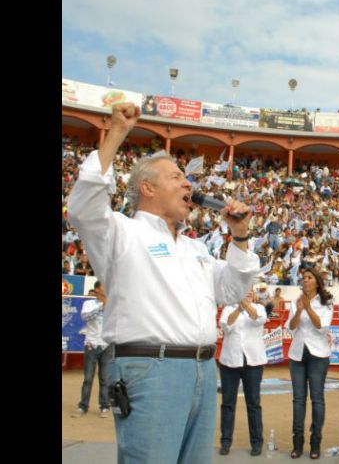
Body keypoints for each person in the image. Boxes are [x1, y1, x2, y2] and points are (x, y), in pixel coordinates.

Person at [67, 103, 259, 464]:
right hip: (151, 370)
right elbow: (83, 207)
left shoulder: (196, 247)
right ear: (147, 189)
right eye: (176, 177)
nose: (188, 182)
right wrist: (118, 132)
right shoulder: (121, 232)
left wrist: (240, 235)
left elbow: (232, 291)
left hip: (203, 369)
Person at [286, 268, 334, 459]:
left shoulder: (326, 302)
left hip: (318, 355)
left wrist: (308, 308)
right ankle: (297, 443)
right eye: (303, 278)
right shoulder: (295, 302)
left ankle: (316, 443)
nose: (305, 281)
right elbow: (290, 327)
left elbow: (321, 327)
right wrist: (298, 310)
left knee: (317, 399)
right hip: (297, 354)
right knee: (298, 400)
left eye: (309, 278)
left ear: (316, 282)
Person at [217, 287, 268, 456]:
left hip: (253, 361)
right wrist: (239, 308)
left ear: (254, 295)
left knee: (253, 402)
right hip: (230, 361)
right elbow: (226, 326)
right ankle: (225, 441)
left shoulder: (259, 308)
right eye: (243, 291)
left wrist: (246, 306)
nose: (247, 294)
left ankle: (256, 442)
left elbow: (257, 319)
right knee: (228, 403)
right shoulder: (228, 309)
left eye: (250, 291)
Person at [71, 281, 111, 419]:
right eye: (103, 288)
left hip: (107, 345)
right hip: (92, 344)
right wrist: (102, 307)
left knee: (105, 378)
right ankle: (83, 406)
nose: (105, 290)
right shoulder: (89, 304)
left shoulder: (113, 304)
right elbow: (85, 317)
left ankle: (104, 406)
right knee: (88, 378)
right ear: (97, 290)